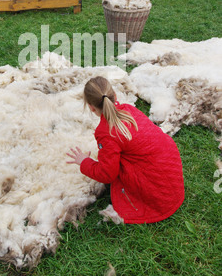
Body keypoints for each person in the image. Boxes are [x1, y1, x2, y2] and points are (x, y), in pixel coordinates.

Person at [67, 76, 185, 225]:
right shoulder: (129, 109)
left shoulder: (106, 132)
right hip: (169, 167)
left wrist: (84, 162)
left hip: (158, 195)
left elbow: (107, 174)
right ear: (115, 95)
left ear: (91, 107)